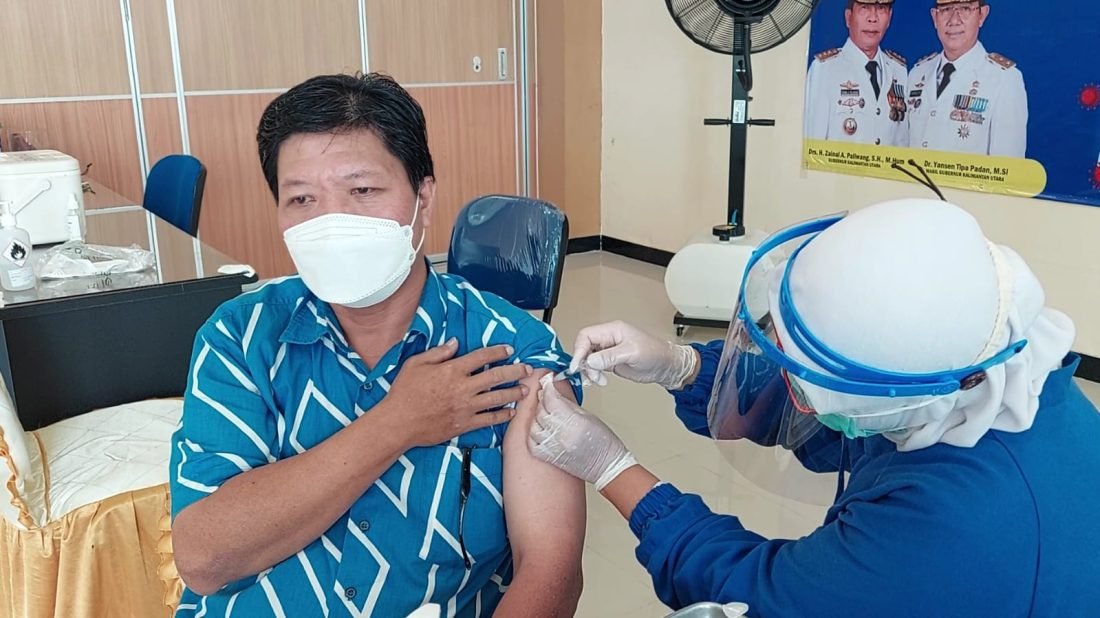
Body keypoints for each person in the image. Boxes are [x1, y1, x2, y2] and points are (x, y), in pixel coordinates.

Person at [528, 199, 1100, 616]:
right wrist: (683, 366)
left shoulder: (949, 528)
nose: (791, 392)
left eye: (802, 381)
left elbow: (759, 596)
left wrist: (613, 468)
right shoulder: (984, 378)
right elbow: (844, 424)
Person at [169, 73, 586, 618]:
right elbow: (204, 559)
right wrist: (397, 423)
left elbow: (551, 572)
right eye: (302, 198)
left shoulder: (513, 352)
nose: (332, 221)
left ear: (423, 199)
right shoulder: (241, 338)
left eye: (362, 191)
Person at [907, 0, 1027, 157]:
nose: (954, 20)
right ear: (935, 17)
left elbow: (1007, 167)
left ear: (982, 15)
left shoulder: (1004, 80)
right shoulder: (917, 74)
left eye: (965, 8)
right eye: (946, 9)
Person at [804, 0, 909, 147]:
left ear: (889, 17)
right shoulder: (824, 70)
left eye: (881, 8)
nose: (873, 18)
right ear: (848, 17)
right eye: (864, 8)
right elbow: (812, 146)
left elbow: (902, 145)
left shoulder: (899, 70)